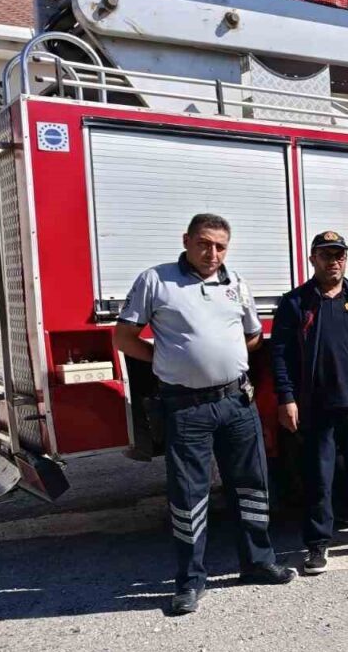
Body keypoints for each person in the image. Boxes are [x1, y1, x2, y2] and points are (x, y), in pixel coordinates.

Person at [114, 213, 296, 616]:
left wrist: (221, 358)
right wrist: (165, 359)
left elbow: (252, 336)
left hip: (236, 404)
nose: (212, 253)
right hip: (186, 408)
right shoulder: (155, 281)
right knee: (189, 496)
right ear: (186, 240)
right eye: (204, 243)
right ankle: (190, 581)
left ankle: (257, 561)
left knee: (251, 486)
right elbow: (124, 337)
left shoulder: (236, 284)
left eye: (220, 246)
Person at [270, 231, 348, 575]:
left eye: (339, 254)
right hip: (316, 408)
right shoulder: (296, 303)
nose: (334, 261)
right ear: (312, 258)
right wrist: (287, 398)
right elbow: (279, 355)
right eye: (326, 255)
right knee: (318, 479)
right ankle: (317, 545)